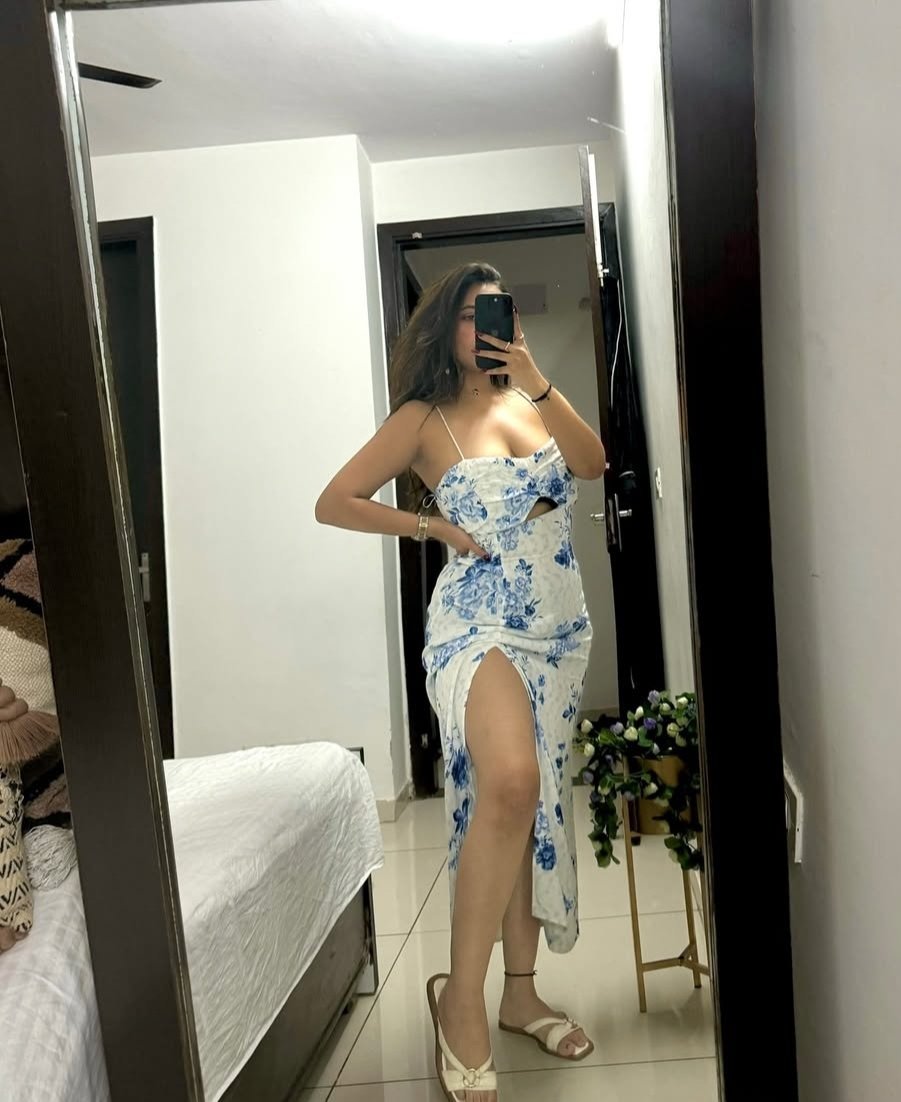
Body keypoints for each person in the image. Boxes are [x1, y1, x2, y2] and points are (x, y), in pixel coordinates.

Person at [316, 262, 605, 1101]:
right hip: (476, 623)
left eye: (496, 312)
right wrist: (429, 525)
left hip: (558, 629)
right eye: (472, 315)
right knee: (510, 782)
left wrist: (538, 379)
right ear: (444, 328)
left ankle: (520, 995)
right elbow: (335, 500)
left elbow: (591, 464)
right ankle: (462, 1000)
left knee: (527, 803)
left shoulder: (532, 401)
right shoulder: (423, 417)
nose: (487, 327)